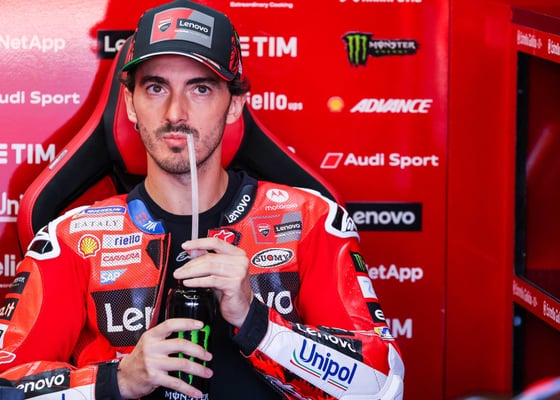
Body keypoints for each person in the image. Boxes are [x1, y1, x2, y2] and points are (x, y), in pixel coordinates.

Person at [0, 1, 404, 399]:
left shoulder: (310, 219)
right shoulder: (71, 239)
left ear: (235, 105)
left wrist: (258, 324)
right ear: (130, 104)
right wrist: (115, 380)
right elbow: (6, 383)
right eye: (156, 87)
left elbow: (383, 386)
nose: (175, 112)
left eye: (200, 88)